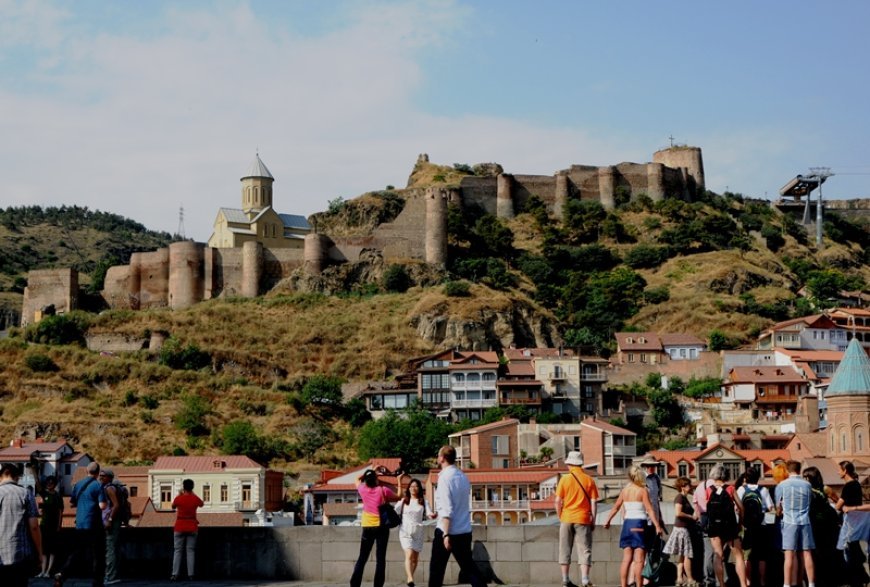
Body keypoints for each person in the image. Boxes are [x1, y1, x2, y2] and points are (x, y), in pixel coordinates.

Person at [428, 445, 487, 587]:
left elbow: (447, 509)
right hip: (464, 530)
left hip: (448, 530)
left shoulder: (444, 478)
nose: (437, 458)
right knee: (469, 568)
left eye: (438, 455)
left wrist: (446, 534)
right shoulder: (462, 477)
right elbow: (459, 504)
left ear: (442, 458)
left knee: (436, 571)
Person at [603, 465, 664, 587]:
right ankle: (639, 585)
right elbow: (649, 509)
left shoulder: (625, 491)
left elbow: (616, 507)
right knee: (639, 560)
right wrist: (657, 525)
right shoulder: (642, 490)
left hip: (627, 524)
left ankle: (623, 585)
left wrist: (608, 520)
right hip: (639, 524)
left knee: (626, 559)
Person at [54, 461, 108, 587]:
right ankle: (97, 582)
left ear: (86, 471)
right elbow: (102, 506)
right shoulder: (98, 485)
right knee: (98, 555)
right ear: (98, 472)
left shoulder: (78, 484)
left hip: (80, 523)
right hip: (94, 525)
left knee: (77, 553)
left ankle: (62, 574)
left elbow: (72, 502)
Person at [555, 451, 599, 587]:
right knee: (584, 549)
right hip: (583, 518)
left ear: (570, 464)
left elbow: (557, 501)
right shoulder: (589, 480)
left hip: (566, 517)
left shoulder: (564, 479)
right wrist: (593, 520)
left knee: (564, 549)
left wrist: (561, 516)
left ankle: (565, 579)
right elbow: (594, 502)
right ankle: (585, 579)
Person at [350, 467, 400, 587]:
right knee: (380, 559)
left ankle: (354, 584)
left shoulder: (362, 489)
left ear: (366, 480)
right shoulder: (383, 490)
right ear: (376, 479)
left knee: (362, 557)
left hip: (367, 526)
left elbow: (356, 478)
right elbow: (399, 496)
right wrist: (399, 480)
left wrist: (371, 469)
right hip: (381, 526)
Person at [0, 462, 44, 587]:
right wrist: (39, 553)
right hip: (20, 555)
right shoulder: (25, 493)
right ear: (16, 477)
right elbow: (34, 526)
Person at [774, 460, 815, 587]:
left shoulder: (782, 485)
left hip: (789, 521)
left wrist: (780, 510)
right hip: (805, 521)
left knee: (789, 555)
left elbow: (778, 508)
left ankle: (787, 584)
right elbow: (810, 503)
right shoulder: (807, 485)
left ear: (787, 470)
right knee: (807, 553)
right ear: (799, 469)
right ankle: (811, 583)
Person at [705, 465, 747, 587]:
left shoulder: (709, 490)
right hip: (730, 527)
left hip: (714, 527)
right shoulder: (730, 489)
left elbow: (707, 509)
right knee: (738, 556)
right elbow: (741, 508)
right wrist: (740, 523)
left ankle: (722, 584)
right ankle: (743, 584)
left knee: (718, 555)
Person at [802, 466, 844, 587]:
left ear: (812, 477)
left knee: (823, 551)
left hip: (823, 523)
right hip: (817, 522)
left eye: (806, 477)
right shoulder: (809, 490)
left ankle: (825, 578)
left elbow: (837, 501)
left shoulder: (822, 489)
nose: (804, 479)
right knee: (818, 552)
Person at [735, 466, 773, 587]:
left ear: (746, 478)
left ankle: (748, 581)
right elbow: (771, 508)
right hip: (761, 526)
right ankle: (762, 581)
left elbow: (736, 507)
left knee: (746, 556)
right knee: (762, 556)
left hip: (746, 526)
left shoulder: (741, 489)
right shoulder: (764, 490)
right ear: (758, 477)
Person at [395, 475, 434, 587]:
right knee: (409, 554)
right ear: (408, 488)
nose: (413, 488)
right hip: (405, 530)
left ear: (419, 489)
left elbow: (429, 514)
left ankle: (410, 577)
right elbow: (394, 511)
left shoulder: (423, 502)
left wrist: (433, 515)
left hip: (418, 531)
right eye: (411, 486)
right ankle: (410, 578)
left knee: (415, 558)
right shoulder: (404, 501)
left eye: (416, 486)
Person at [664, 477, 698, 587]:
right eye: (688, 485)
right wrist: (691, 517)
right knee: (687, 555)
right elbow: (678, 513)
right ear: (683, 487)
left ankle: (679, 579)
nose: (690, 487)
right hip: (682, 529)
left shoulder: (683, 497)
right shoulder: (680, 497)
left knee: (682, 556)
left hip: (681, 528)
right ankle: (690, 579)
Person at [171, 478, 203, 581]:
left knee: (177, 551)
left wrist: (180, 494)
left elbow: (173, 506)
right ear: (192, 487)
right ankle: (191, 574)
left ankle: (175, 574)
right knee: (190, 551)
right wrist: (192, 493)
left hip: (179, 526)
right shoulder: (195, 498)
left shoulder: (178, 498)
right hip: (192, 526)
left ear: (183, 487)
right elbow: (201, 504)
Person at [692, 468, 718, 587]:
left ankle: (708, 578)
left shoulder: (699, 486)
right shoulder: (716, 486)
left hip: (704, 519)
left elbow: (695, 503)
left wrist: (699, 516)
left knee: (708, 551)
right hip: (715, 519)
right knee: (718, 551)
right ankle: (718, 578)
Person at [37, 475, 64, 579]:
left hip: (53, 525)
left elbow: (60, 512)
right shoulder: (45, 494)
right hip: (44, 525)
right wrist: (34, 473)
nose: (49, 484)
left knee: (52, 550)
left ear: (54, 484)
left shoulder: (57, 496)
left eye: (51, 483)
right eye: (48, 482)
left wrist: (58, 526)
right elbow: (38, 487)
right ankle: (42, 571)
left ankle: (48, 571)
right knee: (44, 549)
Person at [100, 469, 122, 585]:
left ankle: (110, 576)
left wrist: (109, 520)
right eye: (100, 475)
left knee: (110, 548)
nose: (101, 477)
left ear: (109, 477)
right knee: (113, 548)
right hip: (114, 521)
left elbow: (116, 505)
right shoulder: (112, 487)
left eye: (103, 476)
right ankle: (113, 575)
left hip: (112, 522)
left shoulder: (109, 488)